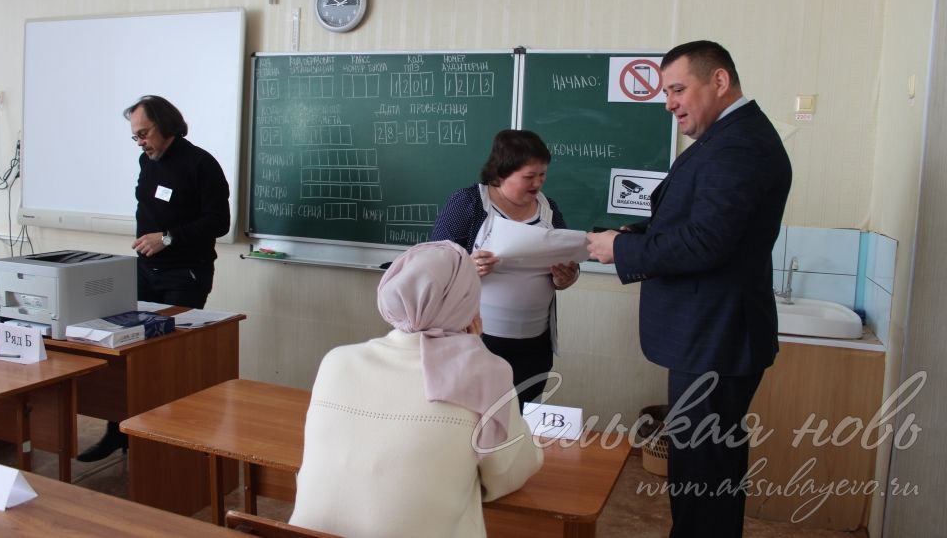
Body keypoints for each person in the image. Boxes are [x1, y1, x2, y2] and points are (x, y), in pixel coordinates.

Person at [586, 41, 791, 538]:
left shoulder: (737, 144)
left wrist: (624, 252)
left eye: (678, 89)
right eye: (665, 92)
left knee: (705, 474)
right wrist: (633, 237)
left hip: (715, 338)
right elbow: (702, 228)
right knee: (701, 469)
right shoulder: (728, 138)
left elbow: (707, 242)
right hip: (711, 336)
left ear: (719, 82)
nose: (669, 103)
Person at [288, 241, 543, 537]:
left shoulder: (337, 360)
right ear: (467, 301)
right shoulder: (485, 374)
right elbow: (508, 474)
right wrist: (473, 351)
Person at [77, 95, 230, 463]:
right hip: (144, 271)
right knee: (124, 350)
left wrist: (168, 238)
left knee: (167, 358)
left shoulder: (201, 164)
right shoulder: (147, 161)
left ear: (165, 125)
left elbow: (219, 223)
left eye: (144, 133)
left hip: (184, 274)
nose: (140, 142)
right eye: (135, 137)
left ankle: (168, 440)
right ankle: (118, 432)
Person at [430, 130, 580, 407]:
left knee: (520, 422)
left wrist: (566, 277)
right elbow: (430, 264)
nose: (538, 183)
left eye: (542, 174)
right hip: (477, 340)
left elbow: (568, 258)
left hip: (535, 344)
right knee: (475, 418)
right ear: (501, 174)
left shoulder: (549, 209)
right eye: (529, 176)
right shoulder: (470, 204)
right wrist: (467, 265)